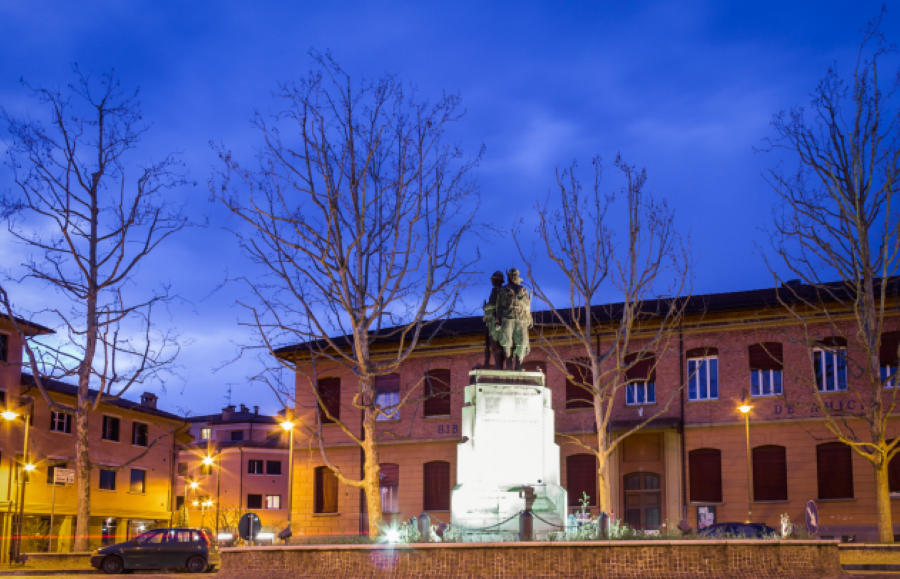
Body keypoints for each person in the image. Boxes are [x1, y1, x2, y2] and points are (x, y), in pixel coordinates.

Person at [496, 268, 532, 371]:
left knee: (522, 342)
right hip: (507, 318)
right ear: (509, 277)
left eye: (515, 274)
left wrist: (529, 318)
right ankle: (508, 365)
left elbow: (527, 306)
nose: (514, 276)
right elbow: (499, 306)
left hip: (521, 319)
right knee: (507, 342)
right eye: (512, 274)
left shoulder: (523, 289)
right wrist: (497, 320)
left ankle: (518, 365)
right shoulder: (503, 290)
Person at [482, 271, 506, 369]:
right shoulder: (506, 291)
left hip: (495, 318)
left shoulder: (495, 290)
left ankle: (498, 366)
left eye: (494, 279)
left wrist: (485, 307)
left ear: (498, 280)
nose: (492, 281)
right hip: (504, 319)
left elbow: (492, 304)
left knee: (495, 345)